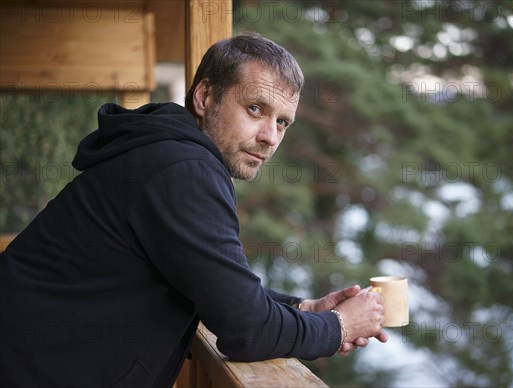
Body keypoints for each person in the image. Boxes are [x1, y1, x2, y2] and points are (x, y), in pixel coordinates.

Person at [0, 32, 387, 387]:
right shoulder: (183, 170)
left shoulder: (167, 153)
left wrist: (304, 308)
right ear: (205, 97)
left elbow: (218, 286)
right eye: (255, 108)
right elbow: (246, 330)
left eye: (283, 122)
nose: (270, 137)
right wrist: (338, 326)